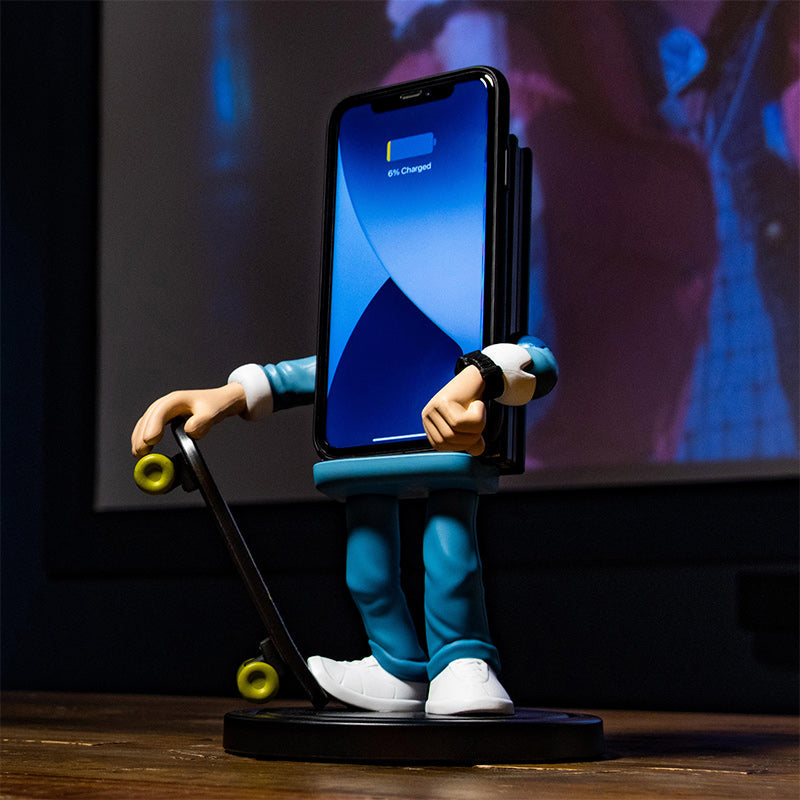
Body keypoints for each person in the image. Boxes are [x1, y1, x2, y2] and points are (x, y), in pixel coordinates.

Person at [132, 338, 557, 715]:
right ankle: (397, 665)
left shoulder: (474, 315)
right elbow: (322, 369)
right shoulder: (368, 337)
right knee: (367, 571)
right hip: (363, 449)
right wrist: (230, 394)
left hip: (448, 452)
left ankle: (461, 659)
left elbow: (537, 359)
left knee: (450, 557)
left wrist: (478, 372)